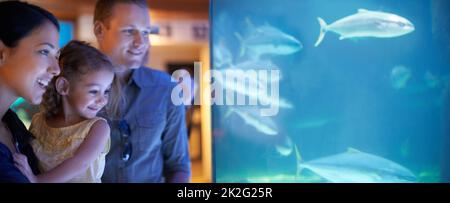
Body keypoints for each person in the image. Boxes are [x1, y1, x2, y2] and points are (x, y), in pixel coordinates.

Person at [93, 0, 191, 182]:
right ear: (99, 30)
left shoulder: (167, 89)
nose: (141, 42)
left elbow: (178, 166)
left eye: (146, 32)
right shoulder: (73, 86)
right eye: (129, 31)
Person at [13, 41, 117, 183]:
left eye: (106, 91)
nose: (102, 100)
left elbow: (80, 163)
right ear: (63, 87)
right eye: (94, 91)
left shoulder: (98, 128)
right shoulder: (39, 122)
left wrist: (37, 180)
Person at [0, 1, 60, 183]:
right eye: (44, 51)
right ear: (1, 53)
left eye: (56, 56)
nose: (57, 69)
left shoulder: (14, 126)